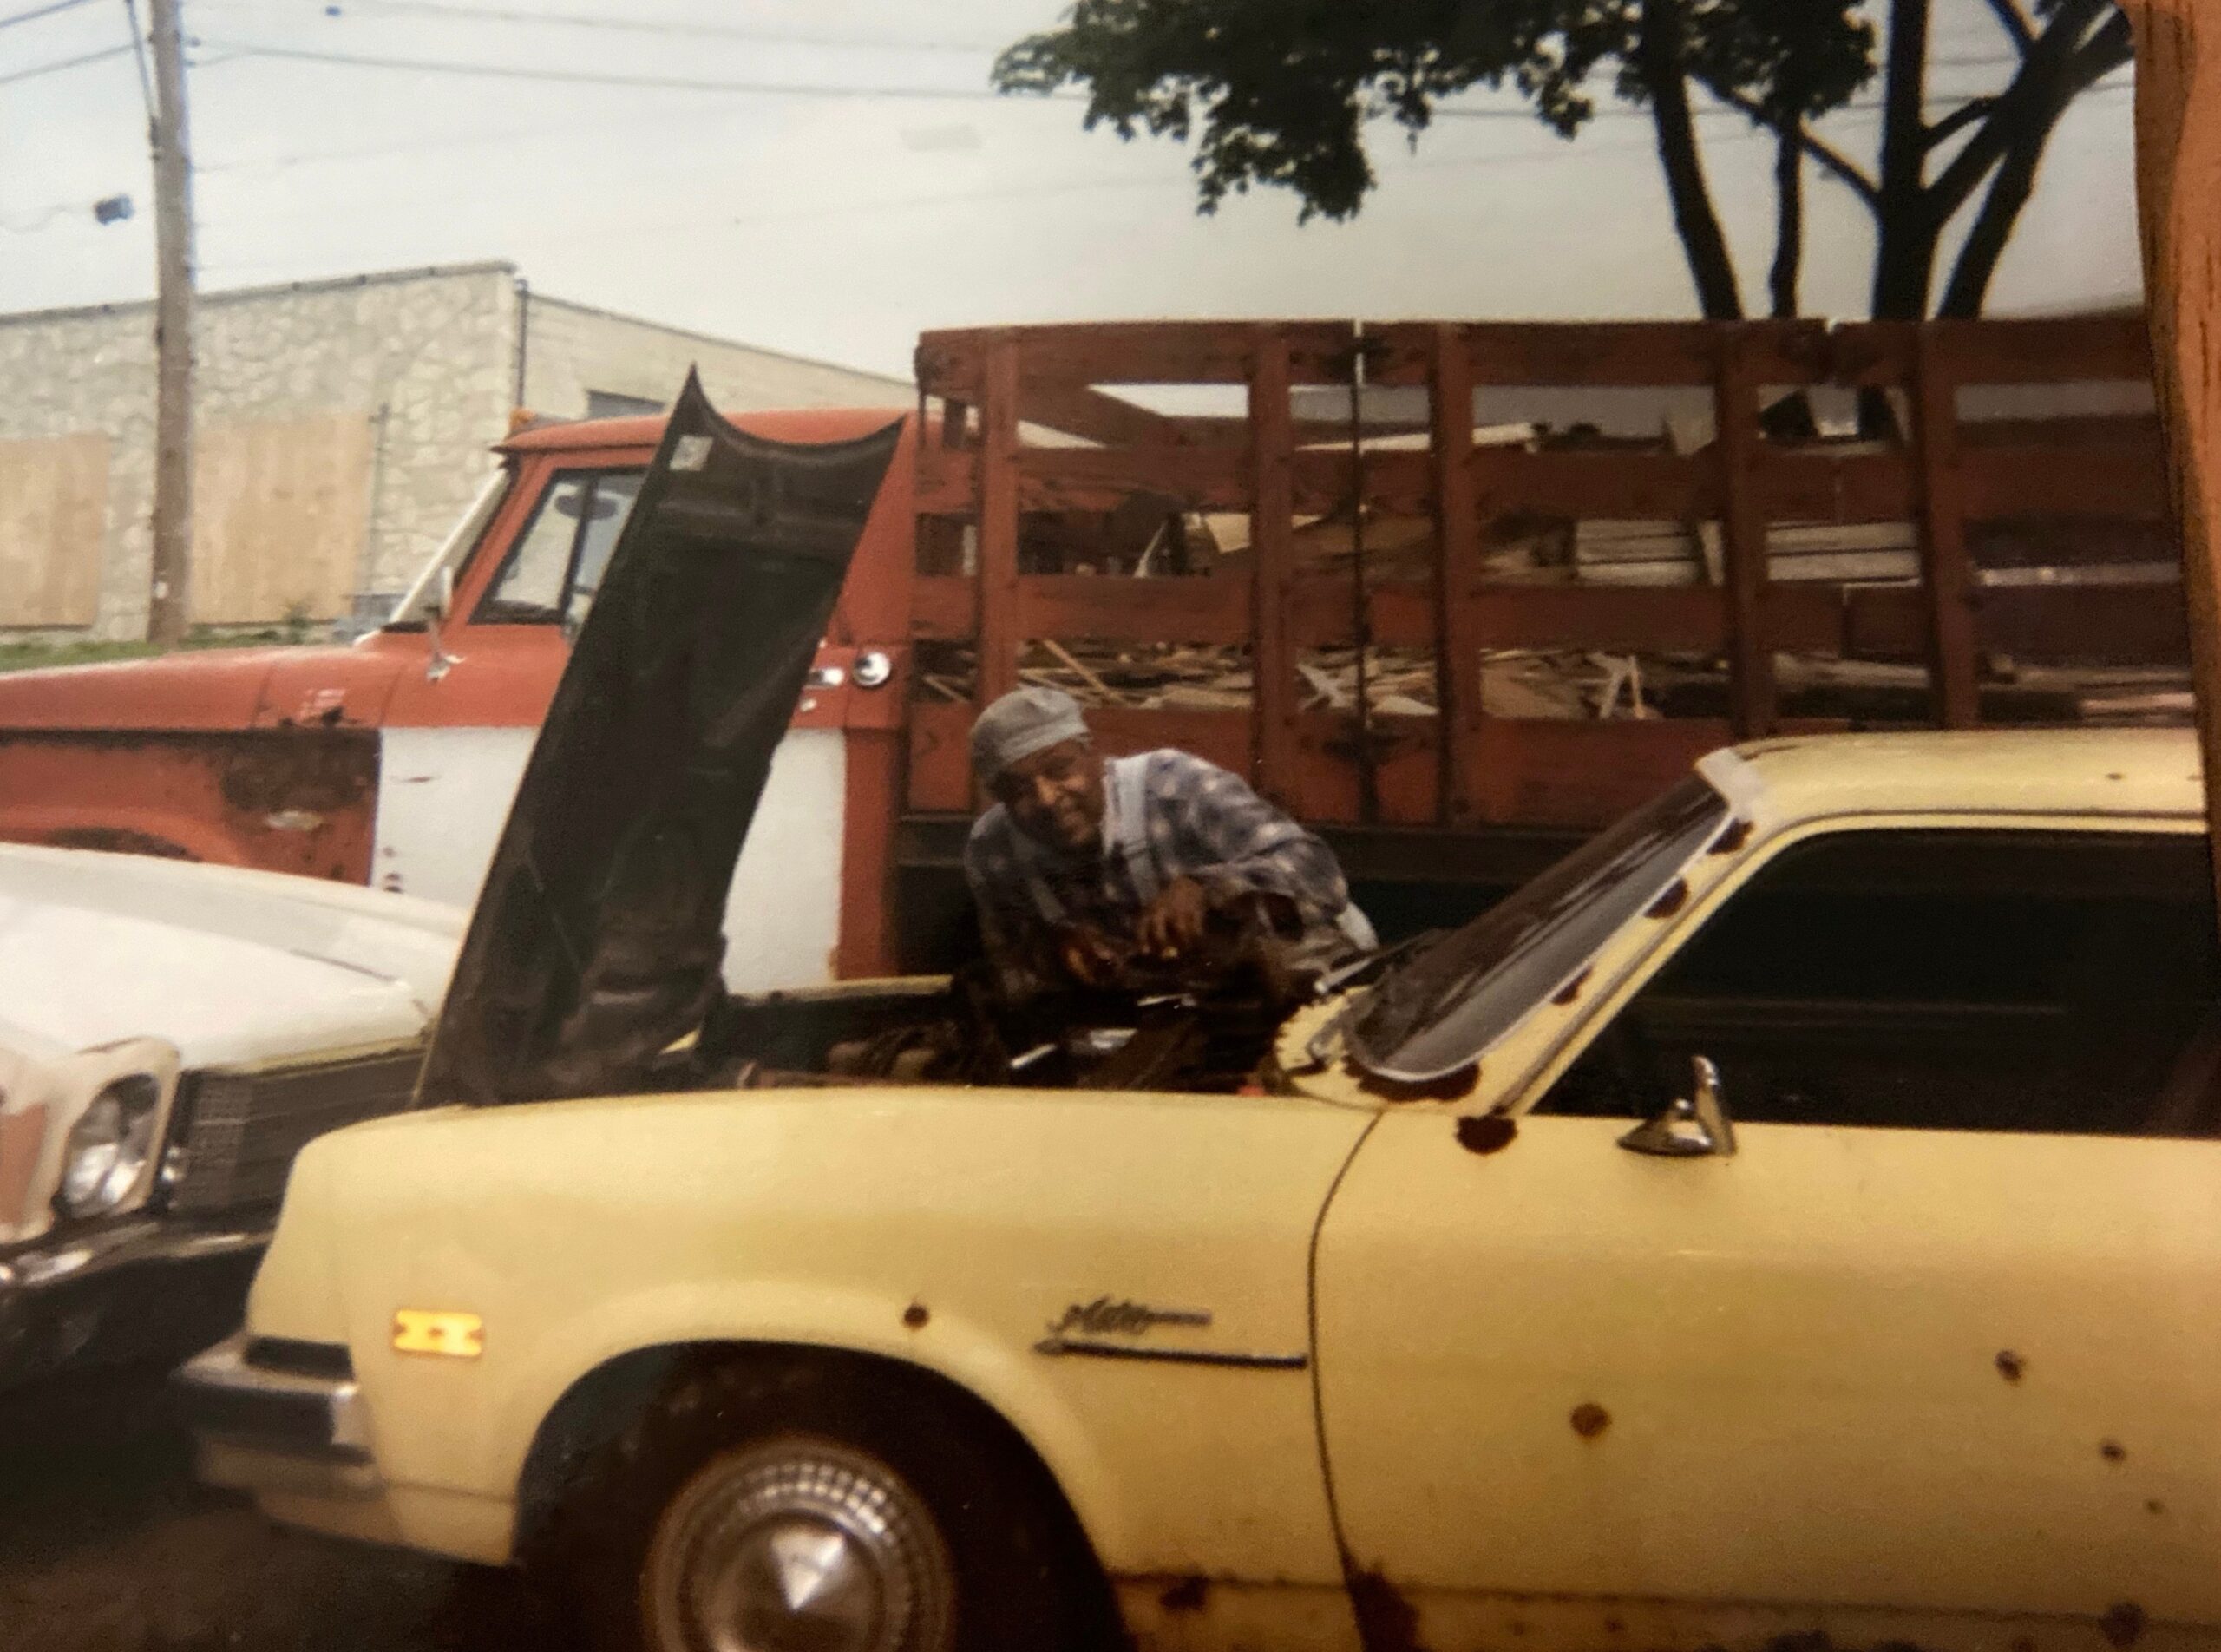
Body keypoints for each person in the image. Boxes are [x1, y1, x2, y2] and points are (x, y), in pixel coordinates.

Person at [962, 685, 1373, 997]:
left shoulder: (1176, 788)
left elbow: (1321, 874)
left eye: (1059, 769)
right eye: (1018, 790)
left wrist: (1207, 887)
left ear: (1095, 755)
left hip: (1310, 980)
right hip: (1178, 1004)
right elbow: (1009, 967)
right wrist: (1053, 952)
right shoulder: (993, 853)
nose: (1047, 799)